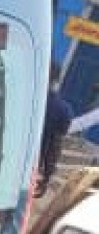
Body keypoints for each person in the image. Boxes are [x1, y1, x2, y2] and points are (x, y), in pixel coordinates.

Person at [37, 62, 74, 193]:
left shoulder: (18, 96)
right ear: (56, 80)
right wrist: (46, 176)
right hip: (28, 169)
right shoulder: (63, 110)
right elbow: (54, 146)